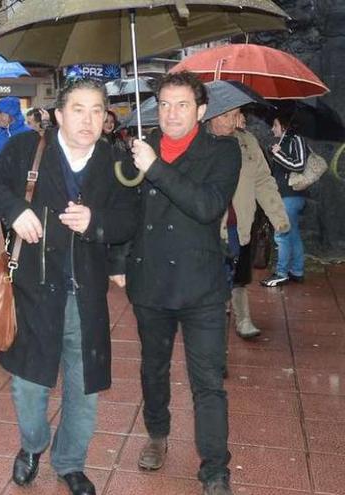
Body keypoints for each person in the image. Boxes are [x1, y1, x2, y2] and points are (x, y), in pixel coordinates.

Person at [0, 78, 139, 495]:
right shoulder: (29, 149)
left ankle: (70, 463)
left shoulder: (116, 162)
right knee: (28, 385)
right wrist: (14, 210)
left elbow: (129, 219)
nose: (88, 119)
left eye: (97, 110)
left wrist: (96, 224)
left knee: (85, 390)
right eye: (78, 109)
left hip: (86, 295)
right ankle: (32, 446)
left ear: (106, 118)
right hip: (32, 292)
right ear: (60, 115)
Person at [127, 72, 241, 495]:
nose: (171, 113)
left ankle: (214, 467)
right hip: (150, 282)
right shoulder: (139, 148)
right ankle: (157, 435)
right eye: (165, 104)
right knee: (153, 369)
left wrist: (155, 168)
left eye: (182, 105)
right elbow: (125, 214)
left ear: (201, 110)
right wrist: (119, 262)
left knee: (207, 380)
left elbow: (207, 206)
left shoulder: (223, 152)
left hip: (202, 288)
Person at [208, 108, 289, 338]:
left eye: (237, 114)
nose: (234, 120)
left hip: (240, 223)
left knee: (239, 273)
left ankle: (242, 319)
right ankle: (215, 319)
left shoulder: (247, 142)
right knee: (212, 276)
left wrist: (278, 216)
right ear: (210, 115)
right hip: (209, 225)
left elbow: (263, 180)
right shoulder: (200, 142)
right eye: (227, 115)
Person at [261, 111, 309, 287]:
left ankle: (281, 273)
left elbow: (300, 165)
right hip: (285, 196)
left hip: (292, 196)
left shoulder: (297, 139)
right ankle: (297, 271)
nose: (272, 129)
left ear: (284, 125)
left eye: (275, 125)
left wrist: (279, 154)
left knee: (281, 234)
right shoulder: (284, 141)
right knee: (292, 234)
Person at [0, 96, 32, 259]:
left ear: (13, 114)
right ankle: (8, 263)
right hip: (3, 194)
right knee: (8, 232)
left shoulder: (28, 135)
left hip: (26, 193)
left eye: (2, 113)